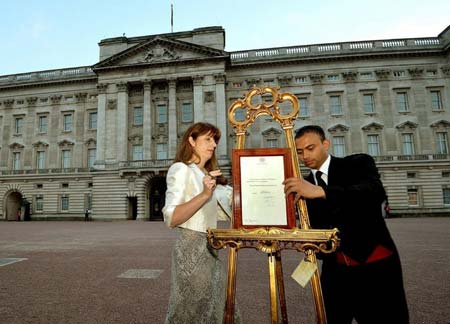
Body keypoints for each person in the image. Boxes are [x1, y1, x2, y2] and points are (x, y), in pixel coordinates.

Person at [283, 125, 409, 324]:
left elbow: (374, 193)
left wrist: (321, 192)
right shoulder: (301, 186)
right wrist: (306, 241)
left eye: (310, 148)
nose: (305, 155)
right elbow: (319, 230)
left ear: (325, 144)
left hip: (376, 268)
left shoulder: (358, 163)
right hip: (335, 273)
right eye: (299, 152)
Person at [162, 122, 240, 324]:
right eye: (208, 139)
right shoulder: (181, 169)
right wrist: (205, 194)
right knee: (193, 311)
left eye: (215, 140)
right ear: (191, 141)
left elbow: (228, 211)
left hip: (211, 249)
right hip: (191, 252)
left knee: (219, 307)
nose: (214, 145)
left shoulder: (208, 175)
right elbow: (171, 217)